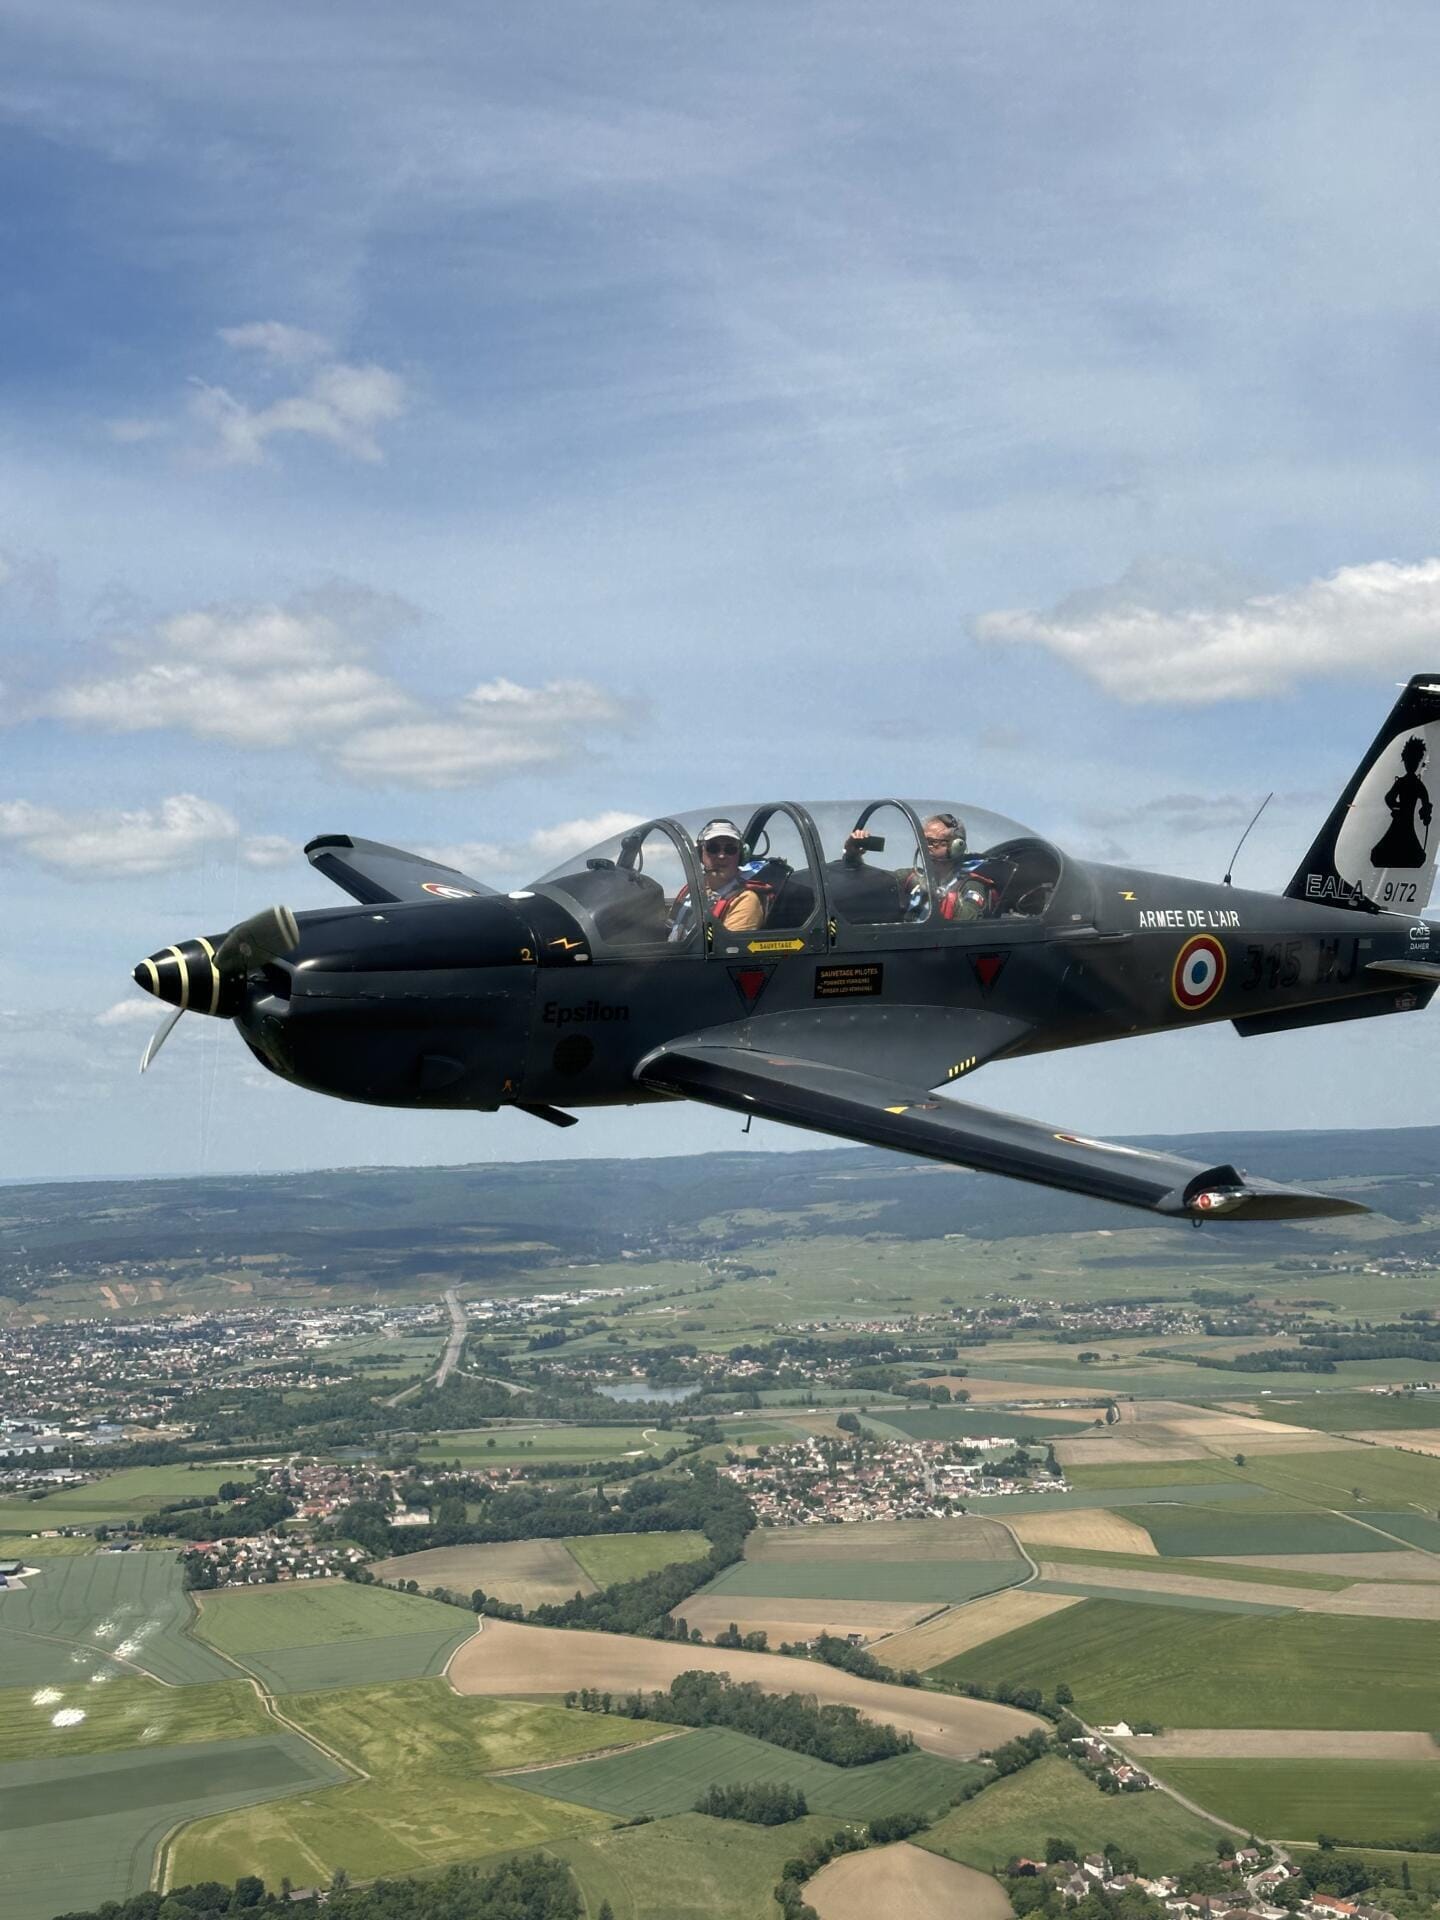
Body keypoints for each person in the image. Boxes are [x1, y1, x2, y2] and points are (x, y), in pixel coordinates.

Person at [844, 812, 997, 921]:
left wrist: (935, 893)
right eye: (922, 842)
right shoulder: (913, 878)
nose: (924, 847)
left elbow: (970, 918)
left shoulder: (971, 884)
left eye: (932, 842)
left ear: (956, 846)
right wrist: (852, 855)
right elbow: (871, 881)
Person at [668, 819, 768, 941]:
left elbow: (723, 949)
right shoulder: (691, 891)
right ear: (699, 853)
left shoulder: (745, 900)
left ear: (741, 855)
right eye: (713, 848)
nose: (721, 856)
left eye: (730, 849)